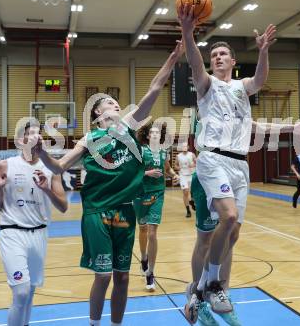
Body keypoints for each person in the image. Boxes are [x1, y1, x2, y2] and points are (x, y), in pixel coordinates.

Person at [32, 41, 184, 326]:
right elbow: (60, 166)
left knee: (123, 276)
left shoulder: (128, 127)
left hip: (125, 211)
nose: (117, 105)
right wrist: (41, 153)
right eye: (110, 103)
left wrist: (173, 58)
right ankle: (94, 323)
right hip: (97, 212)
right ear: (98, 114)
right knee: (102, 275)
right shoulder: (89, 140)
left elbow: (154, 88)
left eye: (117, 103)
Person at [178, 1, 276, 319]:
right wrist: (188, 33)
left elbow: (260, 80)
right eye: (214, 55)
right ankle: (213, 287)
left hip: (240, 164)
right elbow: (194, 64)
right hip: (212, 160)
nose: (218, 58)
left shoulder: (241, 87)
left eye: (224, 54)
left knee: (232, 235)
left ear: (233, 61)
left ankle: (205, 287)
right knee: (228, 218)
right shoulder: (207, 85)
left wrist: (262, 51)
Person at [188, 120, 300, 326]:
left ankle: (222, 293)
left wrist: (290, 128)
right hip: (210, 172)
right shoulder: (209, 97)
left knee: (229, 233)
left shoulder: (235, 101)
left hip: (235, 170)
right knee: (206, 239)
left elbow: (252, 124)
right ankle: (200, 300)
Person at [0, 122, 67, 326]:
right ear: (19, 141)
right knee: (21, 292)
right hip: (12, 233)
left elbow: (63, 207)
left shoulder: (52, 168)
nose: (35, 136)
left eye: (38, 133)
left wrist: (47, 190)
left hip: (39, 234)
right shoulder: (5, 165)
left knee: (30, 292)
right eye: (30, 133)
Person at [134, 123, 179, 291]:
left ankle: (150, 272)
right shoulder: (140, 151)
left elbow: (167, 169)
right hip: (140, 193)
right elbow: (130, 171)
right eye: (152, 132)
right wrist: (146, 173)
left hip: (158, 193)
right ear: (147, 135)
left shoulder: (163, 152)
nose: (154, 134)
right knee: (143, 229)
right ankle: (144, 258)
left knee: (152, 232)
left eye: (157, 132)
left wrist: (174, 175)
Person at [175, 142, 196, 217]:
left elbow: (197, 163)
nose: (184, 148)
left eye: (185, 146)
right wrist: (178, 168)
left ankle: (192, 201)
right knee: (186, 192)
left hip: (191, 175)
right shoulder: (178, 156)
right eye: (182, 146)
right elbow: (175, 165)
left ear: (187, 147)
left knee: (193, 191)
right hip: (183, 175)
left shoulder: (192, 154)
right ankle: (188, 210)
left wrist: (193, 165)